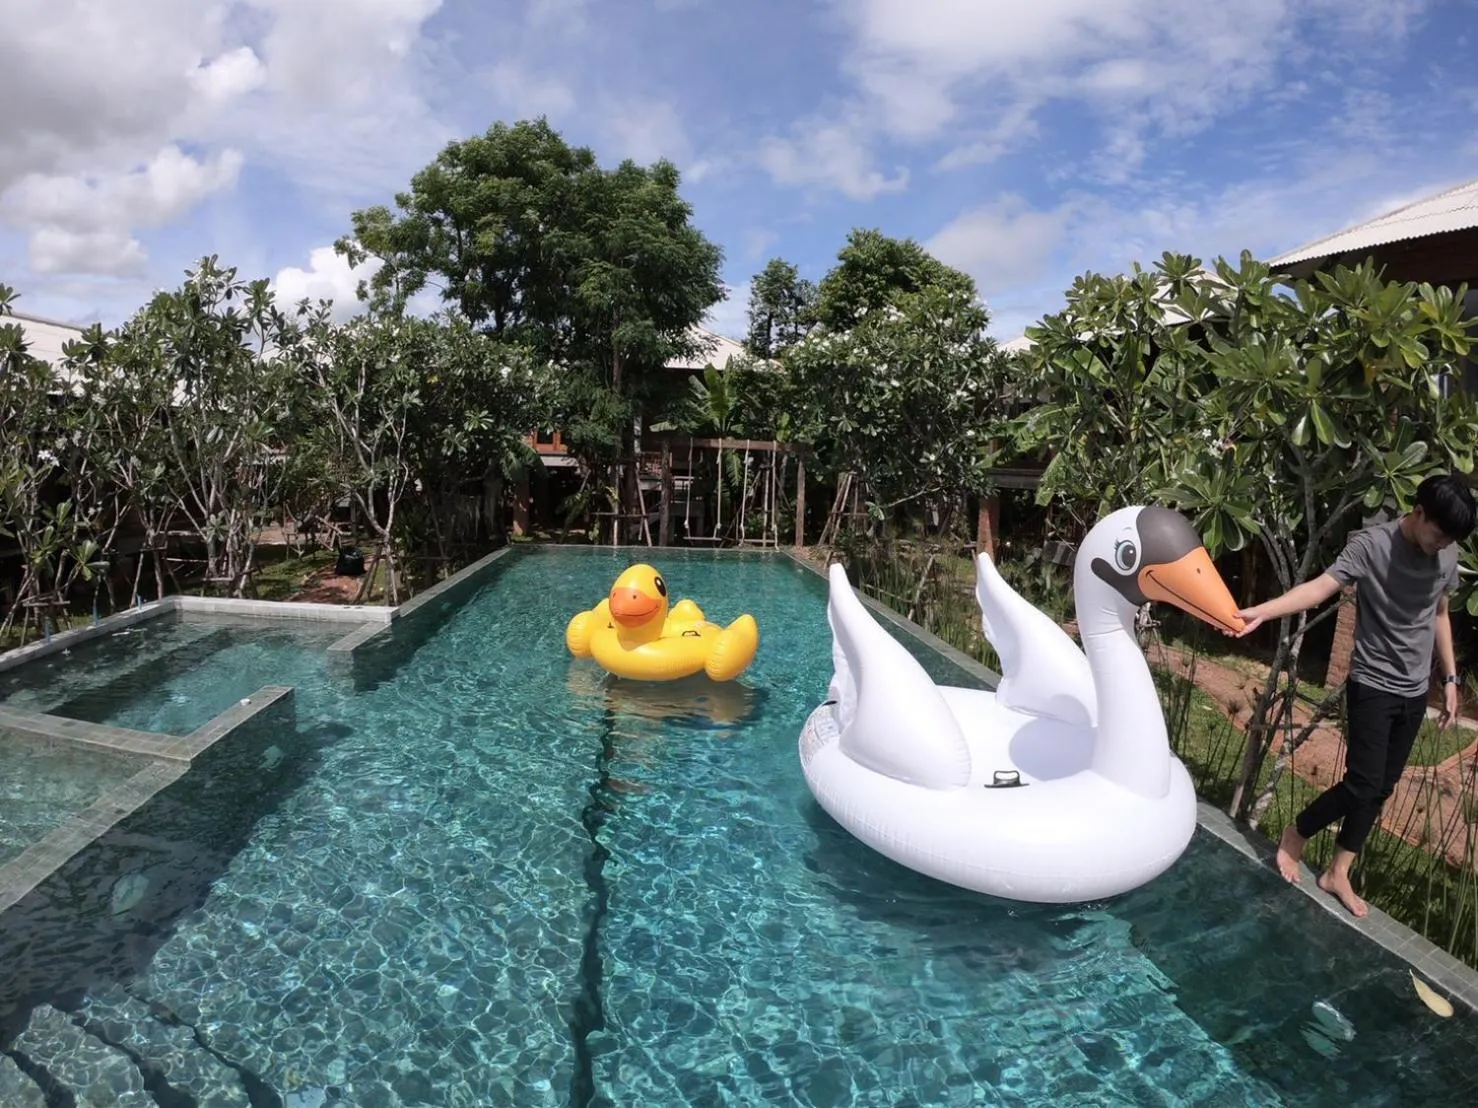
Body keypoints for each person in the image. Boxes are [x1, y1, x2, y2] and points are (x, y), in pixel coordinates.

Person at [1232, 473, 1475, 917]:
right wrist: (1262, 612)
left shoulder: (1446, 553)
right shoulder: (1372, 546)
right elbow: (1319, 588)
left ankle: (1337, 871)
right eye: (1438, 535)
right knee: (1362, 783)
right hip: (1373, 684)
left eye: (1449, 541)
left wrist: (1450, 679)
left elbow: (1439, 613)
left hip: (1414, 690)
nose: (1442, 546)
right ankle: (1297, 833)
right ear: (1419, 512)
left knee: (1381, 788)